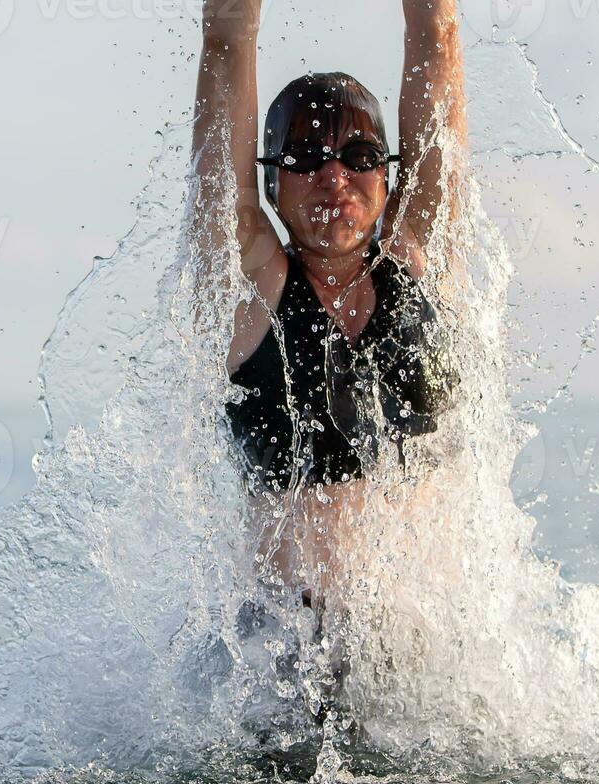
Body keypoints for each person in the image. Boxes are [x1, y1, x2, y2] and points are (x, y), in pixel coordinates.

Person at [192, 0, 468, 621]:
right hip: (281, 661)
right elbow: (227, 43)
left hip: (432, 658)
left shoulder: (424, 260)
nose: (334, 176)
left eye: (360, 156)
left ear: (388, 177)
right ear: (270, 183)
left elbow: (437, 31)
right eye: (306, 157)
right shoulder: (250, 290)